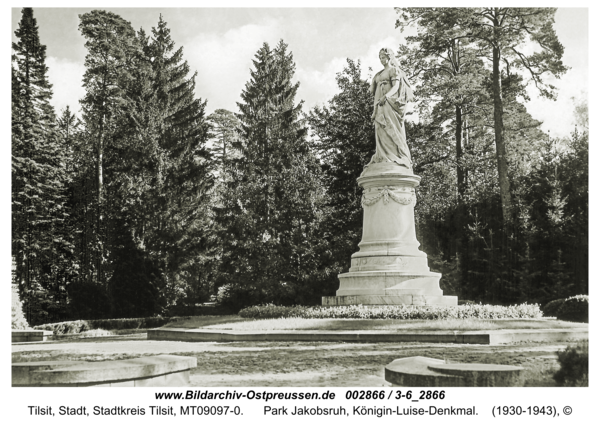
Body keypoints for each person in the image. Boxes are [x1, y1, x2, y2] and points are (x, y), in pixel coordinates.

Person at [366, 47, 414, 170]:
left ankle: (395, 155)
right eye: (380, 58)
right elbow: (373, 90)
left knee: (390, 126)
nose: (382, 60)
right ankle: (383, 155)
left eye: (383, 57)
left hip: (389, 103)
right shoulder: (379, 74)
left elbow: (396, 86)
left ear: (389, 57)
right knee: (380, 128)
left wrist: (386, 97)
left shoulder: (394, 70)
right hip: (379, 105)